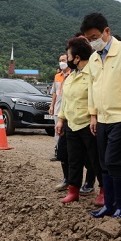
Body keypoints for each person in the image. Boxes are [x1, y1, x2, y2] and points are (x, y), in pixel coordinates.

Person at [80, 13, 121, 219]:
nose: (92, 42)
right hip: (102, 118)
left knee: (116, 163)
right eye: (88, 39)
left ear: (107, 31)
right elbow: (93, 87)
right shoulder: (95, 58)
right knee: (104, 163)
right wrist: (93, 115)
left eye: (95, 36)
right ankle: (109, 204)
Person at [55, 37, 103, 205]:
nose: (66, 59)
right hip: (72, 124)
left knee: (95, 160)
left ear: (76, 58)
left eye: (68, 55)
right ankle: (73, 191)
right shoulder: (71, 76)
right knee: (73, 160)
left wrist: (93, 117)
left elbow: (95, 97)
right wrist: (61, 120)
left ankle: (103, 191)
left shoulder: (93, 72)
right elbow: (66, 100)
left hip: (88, 124)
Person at [50, 53, 72, 190]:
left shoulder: (74, 75)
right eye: (60, 61)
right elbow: (55, 93)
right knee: (59, 137)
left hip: (72, 113)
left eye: (64, 60)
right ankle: (67, 179)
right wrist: (51, 105)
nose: (62, 63)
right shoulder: (58, 76)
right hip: (59, 110)